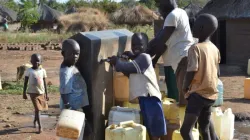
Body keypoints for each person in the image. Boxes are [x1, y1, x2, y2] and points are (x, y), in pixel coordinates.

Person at [109, 33, 167, 140]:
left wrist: (118, 62)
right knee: (149, 129)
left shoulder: (144, 58)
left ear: (146, 46)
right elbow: (128, 72)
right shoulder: (137, 60)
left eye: (140, 45)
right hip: (144, 99)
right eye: (134, 44)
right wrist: (120, 62)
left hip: (151, 99)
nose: (136, 47)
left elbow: (129, 67)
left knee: (155, 133)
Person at [180, 14, 220, 140]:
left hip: (197, 95)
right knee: (204, 128)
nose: (193, 27)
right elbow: (218, 73)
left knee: (185, 131)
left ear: (201, 28)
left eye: (195, 25)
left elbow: (191, 71)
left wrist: (185, 87)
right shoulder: (215, 49)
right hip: (211, 95)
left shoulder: (195, 48)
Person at [147, 0, 193, 105]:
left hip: (179, 62)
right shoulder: (181, 12)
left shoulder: (172, 16)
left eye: (159, 4)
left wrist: (144, 55)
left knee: (180, 98)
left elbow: (160, 41)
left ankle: (182, 120)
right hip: (176, 61)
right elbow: (164, 43)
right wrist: (154, 59)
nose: (159, 8)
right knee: (175, 96)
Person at [59, 39, 92, 137]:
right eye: (72, 54)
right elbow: (63, 91)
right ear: (63, 53)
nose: (75, 56)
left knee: (79, 130)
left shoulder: (71, 66)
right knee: (72, 132)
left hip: (78, 104)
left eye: (77, 54)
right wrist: (68, 106)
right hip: (73, 108)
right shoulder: (65, 71)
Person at [23, 54, 49, 133]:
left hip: (41, 93)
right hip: (32, 92)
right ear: (31, 62)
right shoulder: (29, 71)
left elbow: (44, 83)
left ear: (41, 62)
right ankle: (40, 127)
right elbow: (25, 82)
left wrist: (46, 94)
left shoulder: (43, 71)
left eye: (38, 61)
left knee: (38, 109)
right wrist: (24, 92)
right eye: (34, 61)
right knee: (38, 109)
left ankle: (35, 120)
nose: (36, 63)